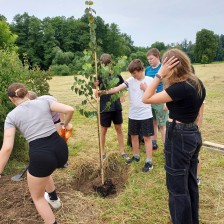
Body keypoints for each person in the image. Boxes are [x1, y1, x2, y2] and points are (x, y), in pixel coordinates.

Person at [142, 49, 206, 224]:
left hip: (179, 136)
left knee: (177, 187)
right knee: (190, 182)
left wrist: (159, 76)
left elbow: (146, 98)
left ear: (170, 65)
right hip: (193, 133)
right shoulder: (196, 82)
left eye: (164, 64)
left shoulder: (180, 88)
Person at [0, 83, 74, 224]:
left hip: (42, 155)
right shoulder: (44, 101)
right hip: (60, 150)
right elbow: (70, 109)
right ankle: (53, 199)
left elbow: (7, 148)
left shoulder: (11, 116)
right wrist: (64, 126)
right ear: (27, 93)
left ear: (11, 99)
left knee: (38, 197)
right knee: (43, 172)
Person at [97, 59, 154, 172]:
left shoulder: (150, 80)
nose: (133, 76)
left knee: (147, 138)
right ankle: (136, 156)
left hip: (146, 114)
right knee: (133, 136)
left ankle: (149, 161)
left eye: (135, 73)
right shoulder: (130, 80)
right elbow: (117, 89)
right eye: (132, 74)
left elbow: (154, 95)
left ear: (141, 70)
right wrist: (103, 92)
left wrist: (145, 89)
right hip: (133, 114)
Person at [95, 53, 129, 160]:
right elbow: (96, 92)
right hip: (105, 107)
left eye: (108, 64)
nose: (106, 66)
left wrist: (122, 95)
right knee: (103, 130)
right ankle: (103, 152)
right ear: (100, 65)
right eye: (103, 65)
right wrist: (95, 87)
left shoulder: (116, 75)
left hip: (116, 106)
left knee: (119, 128)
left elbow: (123, 86)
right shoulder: (98, 76)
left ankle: (122, 151)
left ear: (111, 64)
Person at [145, 48, 168, 150]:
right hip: (150, 99)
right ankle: (154, 142)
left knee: (162, 125)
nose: (150, 61)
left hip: (161, 98)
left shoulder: (163, 68)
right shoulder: (147, 70)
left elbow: (167, 84)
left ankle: (166, 147)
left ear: (158, 57)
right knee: (153, 122)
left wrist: (166, 102)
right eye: (148, 59)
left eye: (151, 59)